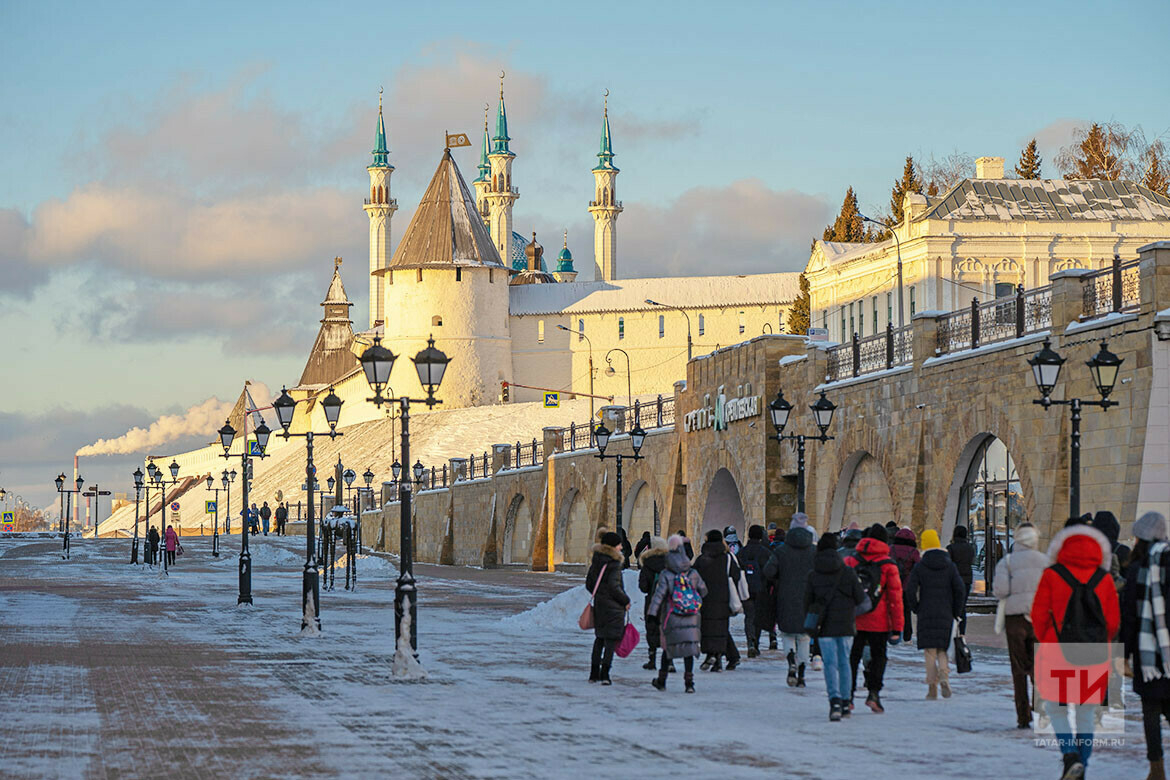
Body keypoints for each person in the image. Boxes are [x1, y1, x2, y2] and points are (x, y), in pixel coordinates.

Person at [1031, 519, 1120, 779]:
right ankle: (1082, 764)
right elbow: (1112, 621)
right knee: (1086, 713)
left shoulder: (1052, 574)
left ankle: (1070, 756)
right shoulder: (1103, 579)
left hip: (1056, 651)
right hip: (1093, 653)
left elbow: (1038, 616)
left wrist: (1046, 638)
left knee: (1056, 709)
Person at [1121, 512, 1170, 780]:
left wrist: (1125, 654)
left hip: (1146, 651)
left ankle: (1157, 769)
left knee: (1151, 711)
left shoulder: (1137, 569)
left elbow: (1130, 615)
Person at [993, 522, 1049, 728]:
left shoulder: (1007, 563)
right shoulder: (1045, 562)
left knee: (1018, 669)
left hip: (1015, 618)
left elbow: (1000, 591)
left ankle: (1023, 716)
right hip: (1040, 618)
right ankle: (1041, 705)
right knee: (1039, 665)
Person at [805, 532, 866, 721]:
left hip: (825, 627)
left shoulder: (814, 574)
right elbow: (860, 599)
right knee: (844, 662)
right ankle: (847, 701)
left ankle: (835, 702)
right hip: (846, 624)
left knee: (830, 664)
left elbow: (807, 603)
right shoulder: (847, 571)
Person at [845, 524, 904, 713]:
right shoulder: (888, 565)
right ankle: (873, 694)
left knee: (852, 658)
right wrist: (897, 628)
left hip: (854, 618)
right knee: (879, 657)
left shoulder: (850, 561)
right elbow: (895, 599)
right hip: (879, 622)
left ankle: (848, 696)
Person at [904, 529, 965, 700]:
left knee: (929, 651)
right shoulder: (949, 565)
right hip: (946, 611)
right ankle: (944, 677)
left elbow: (910, 589)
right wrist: (956, 611)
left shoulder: (920, 566)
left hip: (926, 611)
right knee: (943, 649)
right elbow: (959, 589)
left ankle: (932, 687)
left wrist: (915, 607)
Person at [648, 534, 708, 693]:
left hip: (672, 616)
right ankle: (689, 683)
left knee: (668, 649)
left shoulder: (666, 575)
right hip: (691, 616)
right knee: (688, 649)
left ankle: (662, 680)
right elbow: (704, 590)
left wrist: (652, 615)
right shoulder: (692, 573)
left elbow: (658, 596)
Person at [765, 518, 816, 686]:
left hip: (785, 597)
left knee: (787, 634)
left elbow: (768, 571)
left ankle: (791, 663)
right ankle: (801, 674)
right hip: (808, 599)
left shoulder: (781, 551)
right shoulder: (814, 552)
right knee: (804, 637)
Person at [693, 529, 742, 672]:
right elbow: (736, 576)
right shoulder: (727, 558)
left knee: (709, 629)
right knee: (720, 628)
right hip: (723, 599)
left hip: (705, 599)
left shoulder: (701, 560)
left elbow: (693, 578)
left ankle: (714, 657)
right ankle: (724, 658)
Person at [585, 531, 630, 685]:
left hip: (600, 605)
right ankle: (605, 674)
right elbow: (614, 586)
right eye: (619, 544)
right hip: (614, 608)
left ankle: (593, 673)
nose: (621, 547)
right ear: (613, 546)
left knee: (599, 639)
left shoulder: (596, 561)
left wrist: (600, 596)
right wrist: (625, 601)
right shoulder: (614, 563)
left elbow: (589, 584)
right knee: (610, 640)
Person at [737, 525, 773, 658]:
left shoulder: (742, 552)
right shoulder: (765, 552)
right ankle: (755, 642)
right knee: (758, 617)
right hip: (761, 589)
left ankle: (750, 642)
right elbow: (771, 572)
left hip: (746, 589)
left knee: (749, 616)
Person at [638, 536, 669, 671]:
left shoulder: (647, 564)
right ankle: (670, 662)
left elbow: (643, 587)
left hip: (652, 602)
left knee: (652, 629)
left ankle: (652, 660)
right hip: (668, 602)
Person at [891, 527, 921, 642]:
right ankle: (907, 635)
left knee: (892, 609)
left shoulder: (891, 549)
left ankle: (894, 633)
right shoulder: (914, 552)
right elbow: (918, 567)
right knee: (906, 611)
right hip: (907, 586)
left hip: (893, 584)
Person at [947, 526, 976, 636]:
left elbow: (948, 564)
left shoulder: (951, 548)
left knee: (952, 604)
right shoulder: (970, 548)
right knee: (962, 606)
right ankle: (962, 632)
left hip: (953, 580)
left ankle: (952, 630)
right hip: (966, 580)